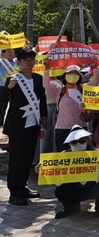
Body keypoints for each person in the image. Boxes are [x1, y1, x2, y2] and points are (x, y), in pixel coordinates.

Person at [1, 48, 47, 206]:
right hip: (17, 125)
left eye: (31, 59)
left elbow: (41, 98)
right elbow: (2, 99)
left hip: (33, 124)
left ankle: (23, 186)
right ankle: (14, 192)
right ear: (19, 62)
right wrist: (9, 88)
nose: (29, 62)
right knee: (17, 159)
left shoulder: (37, 78)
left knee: (28, 157)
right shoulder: (13, 79)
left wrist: (44, 116)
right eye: (25, 59)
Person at [45, 125, 99, 219]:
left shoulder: (96, 152)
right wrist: (45, 172)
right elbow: (58, 183)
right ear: (69, 144)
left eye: (82, 141)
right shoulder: (64, 155)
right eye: (74, 142)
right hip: (74, 188)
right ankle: (71, 208)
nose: (78, 145)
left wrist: (98, 168)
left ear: (87, 140)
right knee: (60, 191)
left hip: (92, 187)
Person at [43, 64, 99, 151]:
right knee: (63, 155)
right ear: (65, 76)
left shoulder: (83, 89)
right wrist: (46, 70)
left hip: (80, 127)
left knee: (80, 157)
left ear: (79, 76)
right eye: (70, 73)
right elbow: (46, 85)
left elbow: (95, 81)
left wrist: (95, 68)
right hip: (62, 128)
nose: (72, 76)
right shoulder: (59, 91)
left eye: (75, 73)